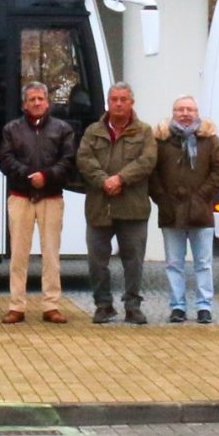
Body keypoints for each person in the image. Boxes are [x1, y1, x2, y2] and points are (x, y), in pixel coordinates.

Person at [75, 82, 155, 325]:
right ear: (108, 103)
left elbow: (147, 161)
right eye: (114, 99)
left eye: (123, 99)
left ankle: (133, 306)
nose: (118, 104)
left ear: (131, 102)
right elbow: (84, 159)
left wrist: (121, 178)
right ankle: (103, 305)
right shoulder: (93, 131)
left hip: (133, 207)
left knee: (133, 261)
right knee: (97, 261)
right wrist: (104, 181)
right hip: (100, 206)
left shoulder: (145, 131)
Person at [0, 81, 78, 324]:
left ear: (47, 102)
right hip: (21, 197)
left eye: (40, 99)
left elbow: (69, 160)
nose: (36, 103)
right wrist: (28, 176)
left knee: (51, 255)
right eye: (31, 99)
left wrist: (47, 176)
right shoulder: (12, 129)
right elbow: (5, 160)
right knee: (19, 255)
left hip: (51, 197)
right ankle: (16, 306)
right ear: (24, 103)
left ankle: (51, 305)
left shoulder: (62, 129)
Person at [151, 95, 219, 324]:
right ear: (173, 112)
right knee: (174, 263)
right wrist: (162, 198)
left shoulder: (210, 139)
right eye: (180, 109)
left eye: (190, 109)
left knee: (203, 263)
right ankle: (177, 306)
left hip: (200, 211)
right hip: (170, 210)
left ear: (197, 113)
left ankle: (204, 306)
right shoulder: (161, 140)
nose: (185, 113)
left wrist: (202, 196)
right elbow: (151, 173)